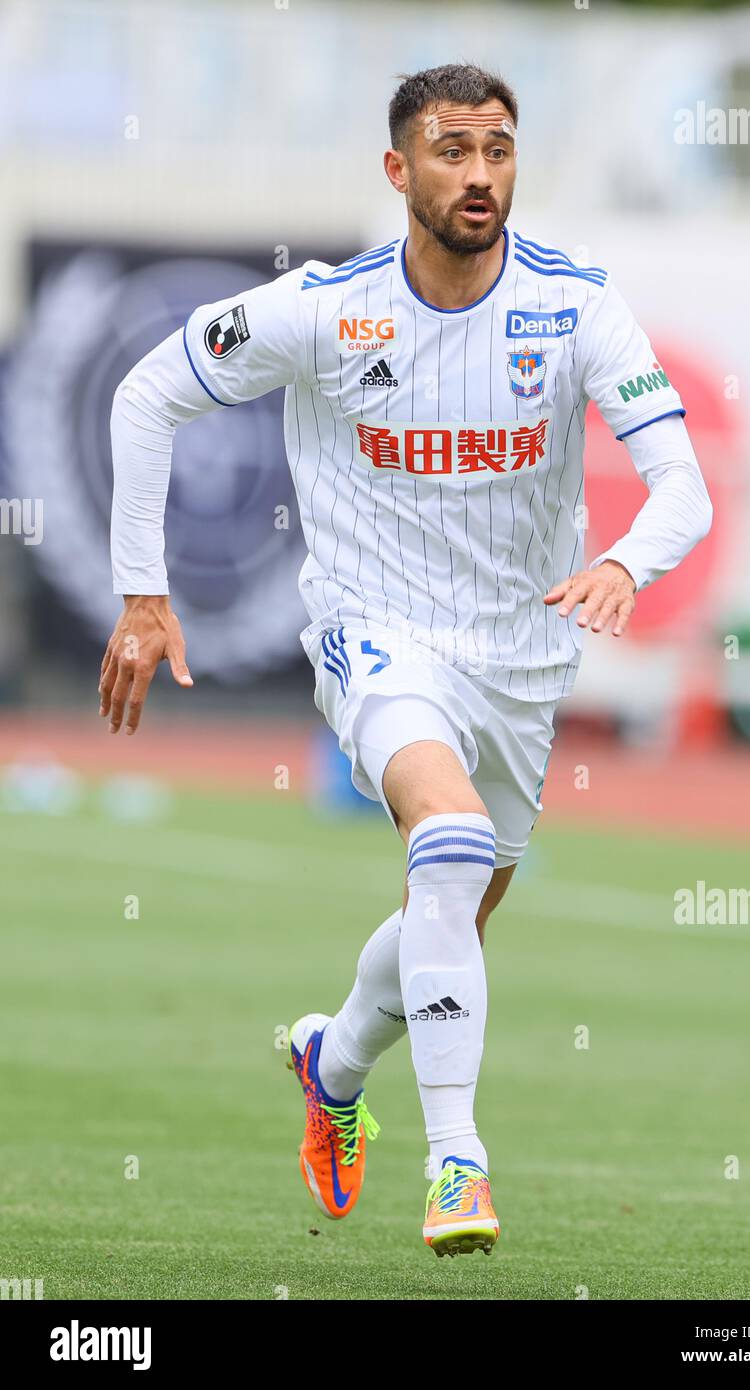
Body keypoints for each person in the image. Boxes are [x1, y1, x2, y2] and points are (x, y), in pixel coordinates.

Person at [101, 63, 712, 1259]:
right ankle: (455, 1162)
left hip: (522, 657)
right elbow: (145, 393)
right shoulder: (326, 310)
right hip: (370, 629)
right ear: (399, 170)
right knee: (446, 841)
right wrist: (141, 593)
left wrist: (627, 563)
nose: (477, 174)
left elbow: (678, 485)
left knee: (453, 908)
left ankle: (332, 1059)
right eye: (449, 151)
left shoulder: (576, 305)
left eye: (495, 150)